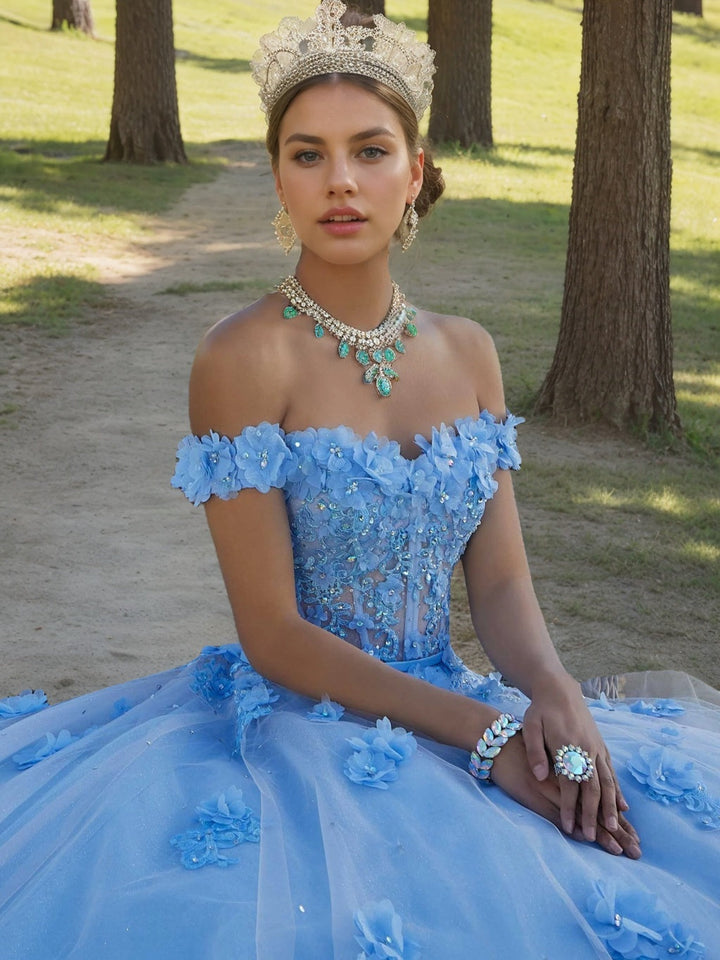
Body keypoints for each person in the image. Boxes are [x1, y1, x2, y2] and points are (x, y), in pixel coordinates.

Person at [1, 2, 718, 957]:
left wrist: (552, 695)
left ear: (414, 172)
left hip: (462, 696)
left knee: (632, 852)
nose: (340, 180)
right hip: (301, 723)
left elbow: (501, 583)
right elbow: (273, 634)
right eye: (308, 154)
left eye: (370, 150)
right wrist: (487, 738)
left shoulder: (470, 352)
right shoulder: (242, 357)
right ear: (279, 177)